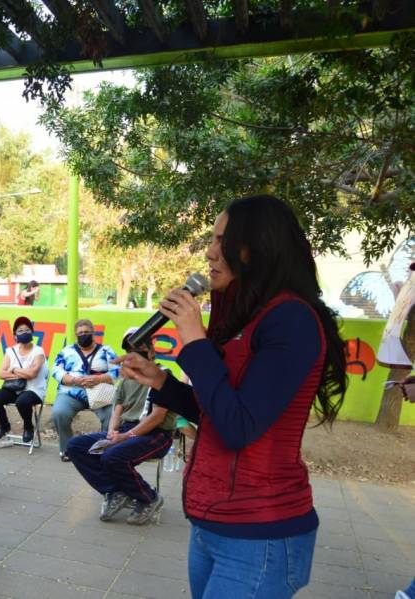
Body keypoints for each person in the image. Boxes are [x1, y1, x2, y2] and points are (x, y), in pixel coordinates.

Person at [116, 194, 348, 599]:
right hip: (211, 523)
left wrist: (193, 339)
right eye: (211, 239)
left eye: (222, 240)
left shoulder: (291, 319)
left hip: (260, 533)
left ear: (257, 247)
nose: (208, 252)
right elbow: (216, 411)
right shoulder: (241, 314)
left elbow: (239, 427)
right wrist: (161, 382)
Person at [67, 329, 175, 526]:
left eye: (140, 349)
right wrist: (112, 431)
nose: (135, 354)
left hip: (156, 434)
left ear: (151, 351)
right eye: (130, 349)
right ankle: (115, 491)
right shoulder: (127, 378)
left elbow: (157, 416)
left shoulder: (164, 376)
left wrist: (125, 437)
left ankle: (148, 498)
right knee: (76, 446)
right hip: (128, 429)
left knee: (112, 456)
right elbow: (118, 408)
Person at [51, 319, 120, 461]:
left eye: (87, 332)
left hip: (100, 394)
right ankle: (67, 449)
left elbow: (118, 371)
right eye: (80, 333)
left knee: (112, 415)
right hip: (71, 393)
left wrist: (98, 379)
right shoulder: (67, 351)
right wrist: (73, 380)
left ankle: (105, 449)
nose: (83, 335)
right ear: (76, 335)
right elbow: (56, 370)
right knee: (59, 412)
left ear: (93, 333)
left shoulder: (106, 350)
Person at [0, 316, 47, 443]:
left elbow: (32, 374)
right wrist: (22, 373)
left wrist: (14, 369)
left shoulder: (38, 351)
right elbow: (1, 374)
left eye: (27, 330)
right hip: (14, 388)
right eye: (20, 331)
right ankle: (4, 426)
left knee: (23, 401)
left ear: (32, 332)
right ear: (15, 335)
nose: (24, 333)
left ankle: (28, 427)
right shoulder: (10, 351)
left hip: (34, 390)